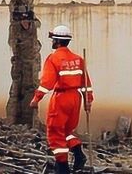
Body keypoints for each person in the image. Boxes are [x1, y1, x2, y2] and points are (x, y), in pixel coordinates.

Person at [29, 25, 94, 174]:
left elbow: (47, 83)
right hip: (75, 99)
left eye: (53, 39)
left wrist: (36, 99)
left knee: (54, 132)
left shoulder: (53, 58)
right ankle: (78, 152)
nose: (52, 41)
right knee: (66, 131)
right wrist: (88, 101)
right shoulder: (78, 59)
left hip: (61, 98)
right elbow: (86, 84)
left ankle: (63, 168)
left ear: (57, 41)